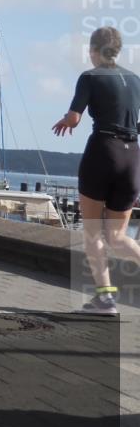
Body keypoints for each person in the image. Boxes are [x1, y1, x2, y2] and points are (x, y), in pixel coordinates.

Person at [52, 26, 140, 315]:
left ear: (93, 51)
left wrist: (66, 119)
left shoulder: (89, 77)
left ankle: (105, 299)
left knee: (93, 233)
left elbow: (75, 118)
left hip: (103, 152)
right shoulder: (135, 79)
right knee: (118, 237)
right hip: (132, 157)